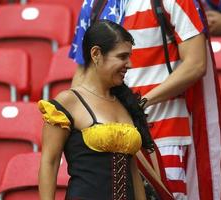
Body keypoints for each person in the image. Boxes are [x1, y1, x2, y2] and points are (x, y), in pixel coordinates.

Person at [69, 1, 221, 200]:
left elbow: (196, 63)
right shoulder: (93, 3)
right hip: (109, 139)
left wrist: (139, 104)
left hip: (163, 134)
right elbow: (84, 70)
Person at [38, 19, 155, 200]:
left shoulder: (125, 103)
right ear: (96, 54)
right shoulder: (68, 102)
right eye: (122, 56)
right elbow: (49, 163)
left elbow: (133, 171)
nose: (129, 64)